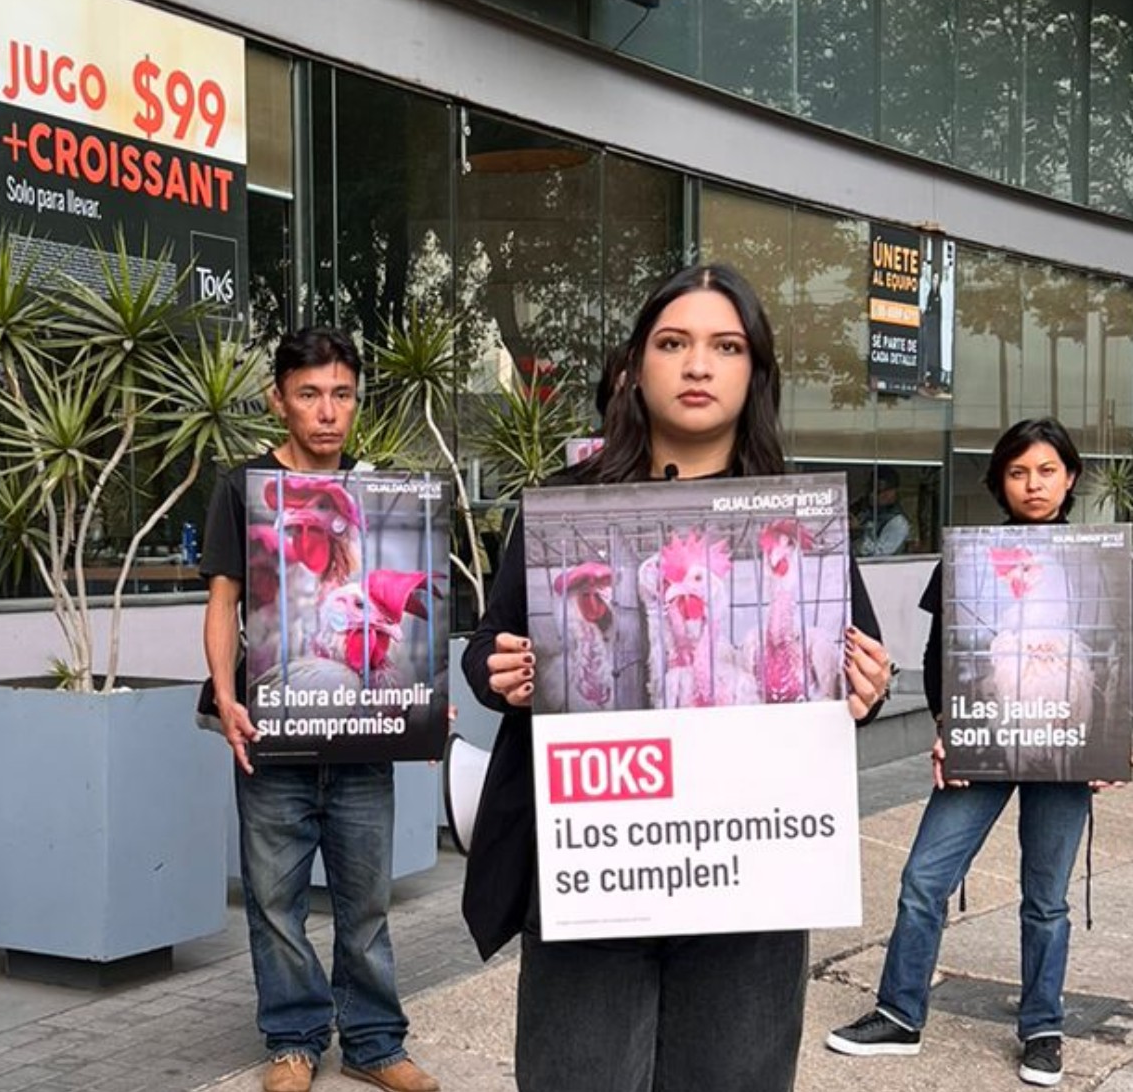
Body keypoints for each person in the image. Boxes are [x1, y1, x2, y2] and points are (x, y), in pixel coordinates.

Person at [461, 263, 892, 1092]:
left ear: (755, 373)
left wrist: (865, 684)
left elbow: (853, 665)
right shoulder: (563, 506)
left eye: (725, 346)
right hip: (596, 866)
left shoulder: (795, 516)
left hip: (750, 879)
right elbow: (488, 645)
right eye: (674, 343)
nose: (698, 365)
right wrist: (499, 669)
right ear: (633, 367)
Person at [828, 417, 1107, 1088]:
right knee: (925, 877)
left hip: (1063, 741)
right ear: (999, 482)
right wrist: (946, 723)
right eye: (1018, 472)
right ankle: (899, 1012)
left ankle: (1043, 1027)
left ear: (1068, 478)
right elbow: (937, 654)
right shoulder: (970, 553)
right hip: (982, 736)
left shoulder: (1100, 557)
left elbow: (1112, 652)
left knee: (1046, 898)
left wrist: (1109, 743)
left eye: (1046, 470)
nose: (1032, 484)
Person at [201, 327, 437, 1092]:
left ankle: (373, 1041)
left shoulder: (384, 493)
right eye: (309, 394)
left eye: (340, 394)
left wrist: (425, 704)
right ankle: (293, 1041)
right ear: (279, 398)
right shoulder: (243, 489)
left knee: (366, 900)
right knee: (275, 901)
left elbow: (416, 612)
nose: (327, 412)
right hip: (273, 734)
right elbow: (222, 603)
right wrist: (228, 697)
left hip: (364, 738)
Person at [853, 464, 913, 558]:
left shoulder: (897, 522)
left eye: (878, 491)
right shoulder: (867, 513)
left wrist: (858, 535)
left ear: (891, 492)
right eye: (871, 490)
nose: (872, 495)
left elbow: (880, 555)